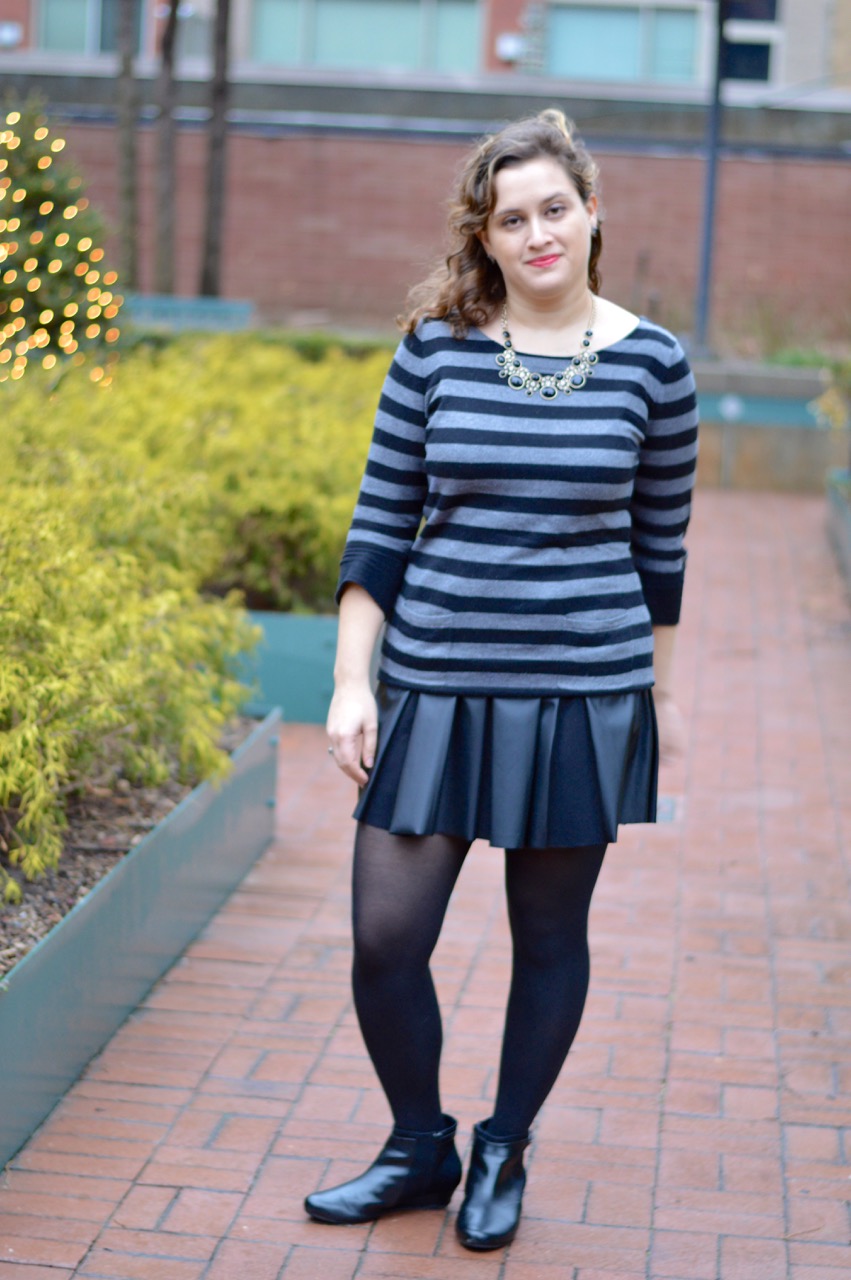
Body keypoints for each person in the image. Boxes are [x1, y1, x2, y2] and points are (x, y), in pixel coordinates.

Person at [305, 108, 698, 1251]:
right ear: (483, 236)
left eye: (552, 210)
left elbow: (658, 548)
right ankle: (415, 1141)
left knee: (548, 936)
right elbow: (378, 525)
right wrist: (351, 681)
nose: (534, 234)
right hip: (435, 680)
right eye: (508, 218)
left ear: (590, 212)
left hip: (581, 689)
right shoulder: (435, 349)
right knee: (385, 936)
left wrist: (657, 703)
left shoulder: (651, 364)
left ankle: (503, 1145)